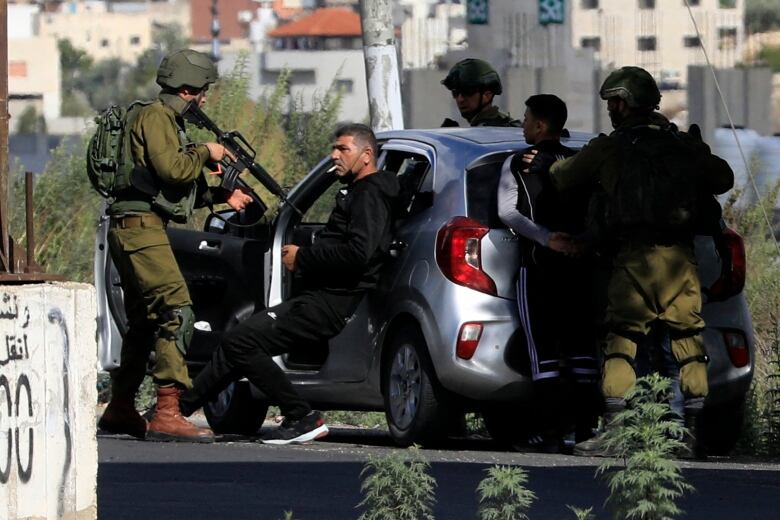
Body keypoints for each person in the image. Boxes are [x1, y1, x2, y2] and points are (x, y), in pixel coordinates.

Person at [526, 66, 734, 458]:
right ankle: (692, 436)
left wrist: (543, 164)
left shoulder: (611, 148)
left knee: (621, 342)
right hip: (680, 262)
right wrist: (694, 149)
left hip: (632, 260)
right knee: (689, 343)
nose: (609, 110)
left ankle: (616, 433)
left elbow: (562, 177)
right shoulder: (680, 146)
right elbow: (723, 178)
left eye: (611, 103)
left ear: (622, 103)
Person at [178, 123, 399, 444]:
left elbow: (359, 254)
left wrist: (303, 258)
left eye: (343, 150)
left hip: (329, 302)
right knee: (236, 344)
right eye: (334, 148)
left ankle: (301, 416)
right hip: (320, 298)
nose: (334, 155)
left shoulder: (370, 195)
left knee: (242, 342)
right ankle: (175, 412)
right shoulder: (363, 192)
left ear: (367, 155)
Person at [97, 49, 252, 443]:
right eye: (202, 91)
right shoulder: (156, 117)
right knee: (176, 310)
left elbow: (163, 189)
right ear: (188, 88)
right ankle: (168, 410)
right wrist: (206, 151)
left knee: (144, 321)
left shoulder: (154, 118)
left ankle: (120, 408)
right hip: (141, 231)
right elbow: (174, 170)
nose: (204, 99)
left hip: (136, 226)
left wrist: (221, 196)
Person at [497, 94, 600, 452]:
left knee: (544, 354)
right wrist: (583, 242)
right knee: (583, 351)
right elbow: (597, 212)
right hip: (582, 269)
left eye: (526, 119)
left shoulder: (517, 163)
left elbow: (507, 213)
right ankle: (588, 432)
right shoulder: (580, 163)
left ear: (540, 125)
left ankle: (550, 434)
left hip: (538, 268)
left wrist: (545, 239)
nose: (522, 124)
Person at [440, 58, 521, 127]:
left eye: (467, 92)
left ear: (487, 95)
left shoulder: (498, 130)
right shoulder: (481, 128)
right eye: (455, 93)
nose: (460, 99)